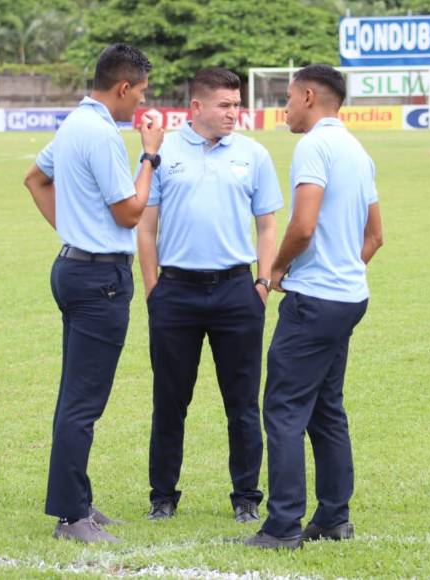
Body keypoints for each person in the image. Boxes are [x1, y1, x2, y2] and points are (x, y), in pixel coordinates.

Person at [23, 43, 164, 544]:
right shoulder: (102, 134)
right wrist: (149, 155)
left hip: (73, 269)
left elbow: (35, 179)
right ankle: (70, 517)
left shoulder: (72, 124)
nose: (141, 102)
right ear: (123, 88)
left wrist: (73, 230)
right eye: (141, 91)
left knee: (74, 395)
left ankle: (77, 501)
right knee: (84, 402)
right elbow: (130, 212)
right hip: (99, 278)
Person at [245, 64, 384, 549]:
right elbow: (375, 237)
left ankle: (282, 526)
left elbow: (302, 226)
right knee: (326, 408)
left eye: (287, 97)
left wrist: (278, 269)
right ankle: (333, 517)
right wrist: (343, 271)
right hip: (348, 298)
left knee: (284, 410)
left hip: (316, 301)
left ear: (308, 96)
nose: (284, 107)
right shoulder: (358, 151)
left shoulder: (314, 147)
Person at [137, 67, 283, 523]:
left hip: (238, 291)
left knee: (242, 402)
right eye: (225, 105)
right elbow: (145, 223)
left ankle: (246, 497)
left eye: (236, 104)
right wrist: (152, 288)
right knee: (169, 401)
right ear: (196, 107)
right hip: (175, 291)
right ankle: (162, 496)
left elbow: (267, 224)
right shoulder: (161, 152)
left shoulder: (253, 155)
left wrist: (262, 283)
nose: (233, 113)